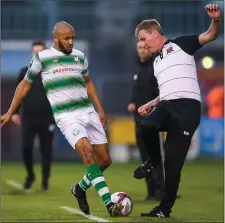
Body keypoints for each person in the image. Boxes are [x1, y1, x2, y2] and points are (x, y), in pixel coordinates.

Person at [1, 21, 120, 217]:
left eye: (72, 38)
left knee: (105, 160)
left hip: (88, 111)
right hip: (66, 116)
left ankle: (79, 189)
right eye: (67, 38)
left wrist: (100, 109)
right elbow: (24, 85)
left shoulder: (80, 57)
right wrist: (10, 111)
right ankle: (109, 203)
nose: (71, 42)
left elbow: (88, 82)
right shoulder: (42, 58)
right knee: (88, 154)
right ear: (56, 38)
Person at [133, 4, 220, 218]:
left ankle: (164, 209)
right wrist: (152, 103)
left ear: (154, 33)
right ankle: (154, 161)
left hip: (187, 109)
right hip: (167, 105)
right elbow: (167, 91)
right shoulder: (156, 63)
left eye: (143, 38)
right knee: (146, 125)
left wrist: (216, 20)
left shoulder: (181, 44)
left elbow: (210, 35)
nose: (142, 44)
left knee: (173, 164)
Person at [11, 40, 55, 191]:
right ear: (31, 54)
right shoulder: (24, 72)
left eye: (40, 52)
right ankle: (30, 175)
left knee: (46, 150)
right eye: (35, 52)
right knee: (26, 147)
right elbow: (18, 94)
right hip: (28, 118)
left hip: (47, 118)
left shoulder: (52, 73)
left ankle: (45, 180)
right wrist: (15, 113)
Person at [128, 41, 164, 200]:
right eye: (139, 48)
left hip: (153, 122)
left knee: (156, 157)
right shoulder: (136, 70)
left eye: (145, 48)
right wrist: (132, 103)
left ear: (150, 50)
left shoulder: (155, 68)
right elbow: (136, 94)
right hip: (138, 122)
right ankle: (151, 192)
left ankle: (162, 192)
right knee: (145, 158)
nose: (142, 50)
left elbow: (161, 95)